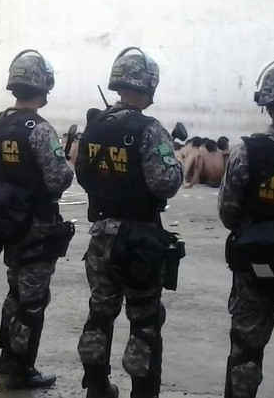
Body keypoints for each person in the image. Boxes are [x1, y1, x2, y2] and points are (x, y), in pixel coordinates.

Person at [76, 47, 183, 398]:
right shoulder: (150, 129)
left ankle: (96, 386)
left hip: (101, 234)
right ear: (149, 85)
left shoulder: (95, 125)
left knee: (100, 311)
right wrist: (176, 163)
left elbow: (82, 174)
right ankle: (142, 391)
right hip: (140, 237)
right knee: (144, 318)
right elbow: (165, 182)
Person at [0, 49, 74, 389]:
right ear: (43, 85)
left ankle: (9, 358)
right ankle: (20, 368)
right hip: (37, 224)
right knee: (32, 299)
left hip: (5, 222)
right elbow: (59, 179)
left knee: (15, 290)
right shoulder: (40, 129)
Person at [219, 57, 274, 398]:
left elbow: (228, 212)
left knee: (245, 353)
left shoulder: (246, 153)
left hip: (256, 266)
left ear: (267, 104)